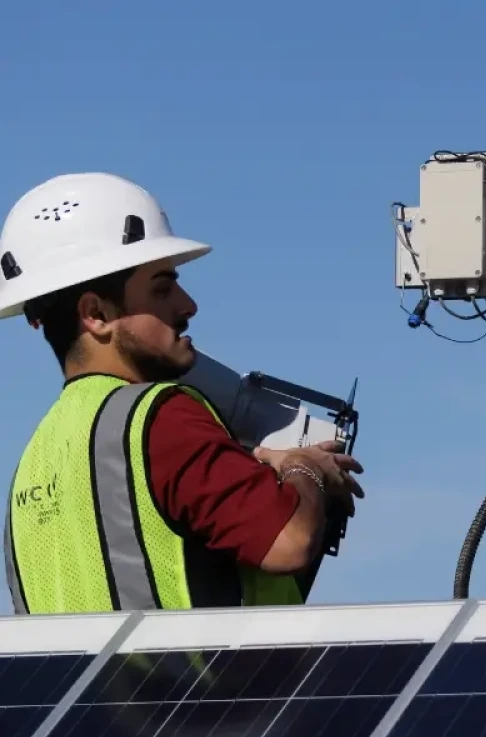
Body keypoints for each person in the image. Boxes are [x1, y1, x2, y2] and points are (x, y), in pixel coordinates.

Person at [0, 172, 364, 614]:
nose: (187, 305)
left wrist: (252, 463)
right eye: (162, 288)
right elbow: (288, 540)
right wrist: (306, 468)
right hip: (195, 685)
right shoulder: (161, 417)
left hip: (81, 687)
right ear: (95, 313)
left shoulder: (37, 459)